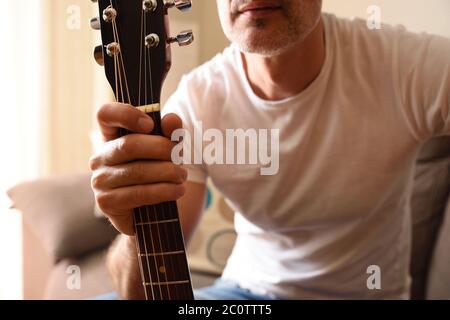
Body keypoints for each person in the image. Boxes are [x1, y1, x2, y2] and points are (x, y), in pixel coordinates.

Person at [89, 0, 450, 299]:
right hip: (248, 297)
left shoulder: (403, 67)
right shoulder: (197, 102)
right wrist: (135, 228)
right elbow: (140, 291)